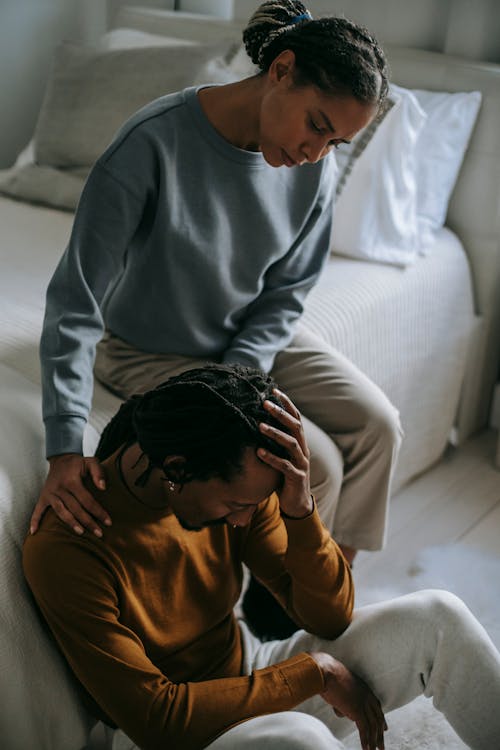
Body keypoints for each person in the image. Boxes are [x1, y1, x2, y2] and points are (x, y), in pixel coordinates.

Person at [33, 0, 402, 634]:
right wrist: (65, 446)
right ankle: (278, 610)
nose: (316, 153)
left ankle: (326, 598)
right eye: (315, 125)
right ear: (281, 70)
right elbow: (75, 300)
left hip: (251, 335)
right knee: (318, 464)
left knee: (379, 427)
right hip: (149, 346)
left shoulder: (313, 169)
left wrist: (242, 372)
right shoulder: (152, 143)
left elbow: (288, 290)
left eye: (334, 141)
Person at [23, 364, 500, 750]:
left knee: (439, 616)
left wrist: (300, 509)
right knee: (301, 739)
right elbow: (156, 720)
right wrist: (311, 673)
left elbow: (331, 618)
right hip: (165, 733)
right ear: (176, 470)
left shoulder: (237, 490)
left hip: (249, 669)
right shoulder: (69, 547)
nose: (242, 520)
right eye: (235, 506)